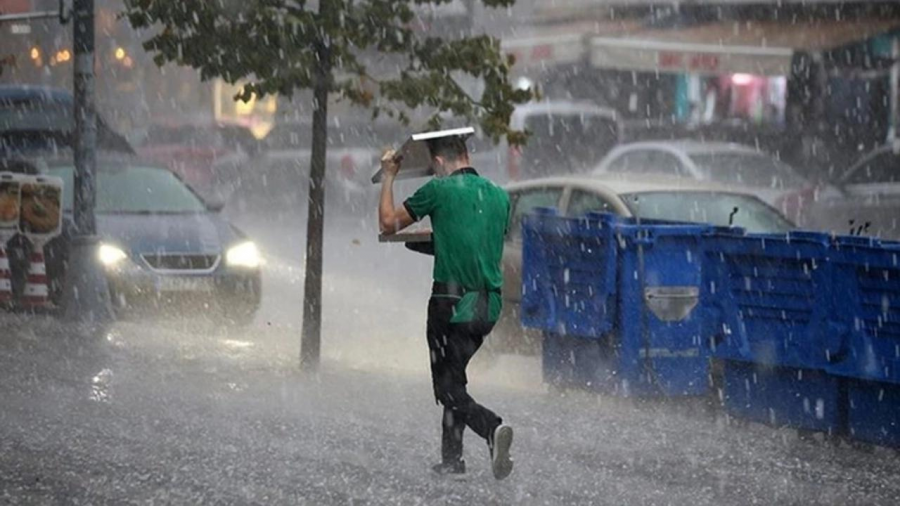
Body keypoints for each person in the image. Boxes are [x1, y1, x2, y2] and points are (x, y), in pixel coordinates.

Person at [378, 134, 514, 480]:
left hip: (450, 304)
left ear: (438, 162)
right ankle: (452, 459)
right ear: (466, 154)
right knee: (455, 377)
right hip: (488, 307)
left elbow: (388, 222)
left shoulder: (438, 191)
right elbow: (475, 243)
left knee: (447, 388)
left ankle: (490, 427)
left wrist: (390, 175)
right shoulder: (499, 196)